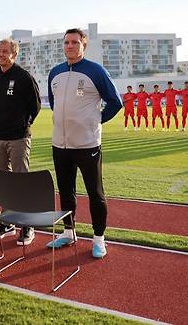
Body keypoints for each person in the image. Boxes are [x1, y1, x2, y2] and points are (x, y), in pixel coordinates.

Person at [47, 28, 122, 259]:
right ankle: (69, 232)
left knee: (95, 193)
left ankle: (99, 238)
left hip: (87, 144)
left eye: (75, 42)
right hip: (60, 145)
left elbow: (115, 102)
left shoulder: (95, 71)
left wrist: (95, 120)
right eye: (67, 42)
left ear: (83, 46)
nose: (70, 46)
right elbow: (54, 103)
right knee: (66, 192)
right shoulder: (55, 72)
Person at [0, 38, 41, 246]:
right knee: (4, 182)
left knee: (20, 181)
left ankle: (27, 225)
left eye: (5, 51)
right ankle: (7, 222)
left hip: (18, 137)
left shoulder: (24, 77)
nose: (0, 54)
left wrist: (23, 125)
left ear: (14, 54)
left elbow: (34, 106)